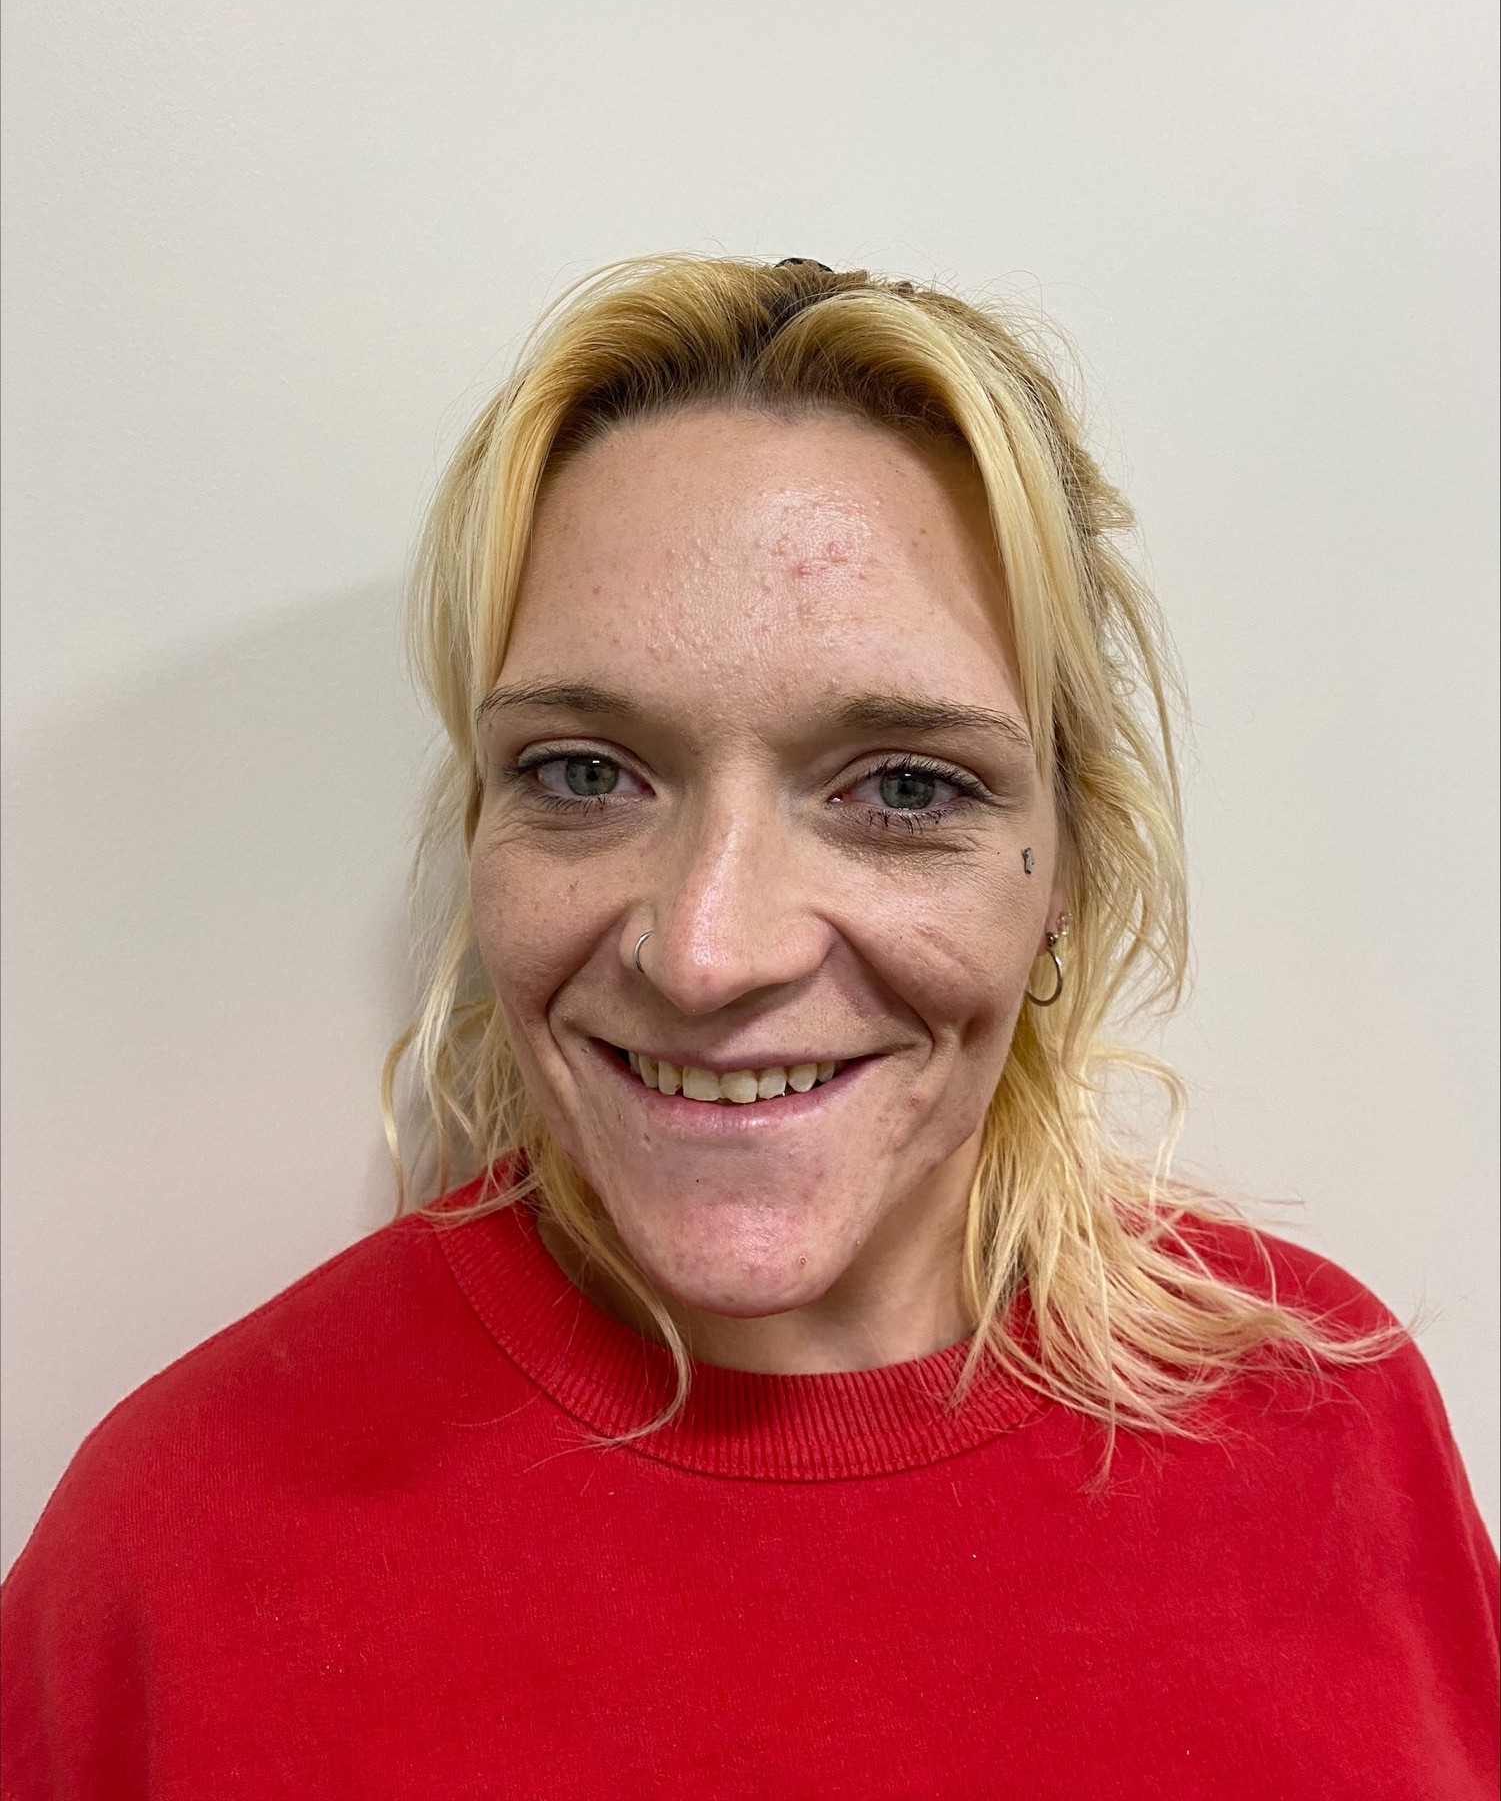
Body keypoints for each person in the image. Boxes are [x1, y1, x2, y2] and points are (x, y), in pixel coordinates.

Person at [3, 256, 1496, 1798]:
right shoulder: (182, 1549)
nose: (708, 953)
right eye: (583, 773)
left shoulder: (1326, 1428)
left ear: (1066, 866)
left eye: (903, 788)